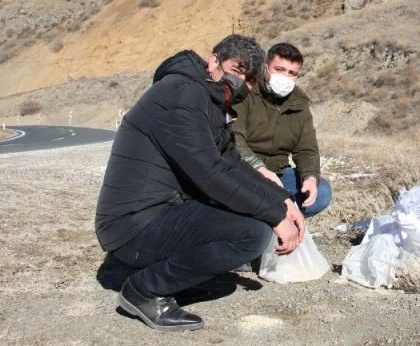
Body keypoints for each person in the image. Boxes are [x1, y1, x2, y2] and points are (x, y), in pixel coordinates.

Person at [95, 34, 304, 332]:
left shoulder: (207, 100)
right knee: (252, 233)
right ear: (213, 61)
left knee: (251, 213)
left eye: (247, 79)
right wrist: (274, 216)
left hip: (158, 213)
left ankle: (177, 280)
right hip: (132, 227)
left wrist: (282, 200)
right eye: (236, 70)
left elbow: (231, 162)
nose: (239, 83)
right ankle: (144, 290)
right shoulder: (180, 95)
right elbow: (209, 172)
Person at [232, 42, 332, 217]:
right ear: (266, 67)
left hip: (278, 174)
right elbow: (234, 137)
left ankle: (274, 218)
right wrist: (259, 169)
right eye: (279, 69)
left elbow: (306, 149)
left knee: (322, 192)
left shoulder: (299, 104)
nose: (285, 77)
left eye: (292, 73)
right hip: (244, 172)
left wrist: (310, 177)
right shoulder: (247, 92)